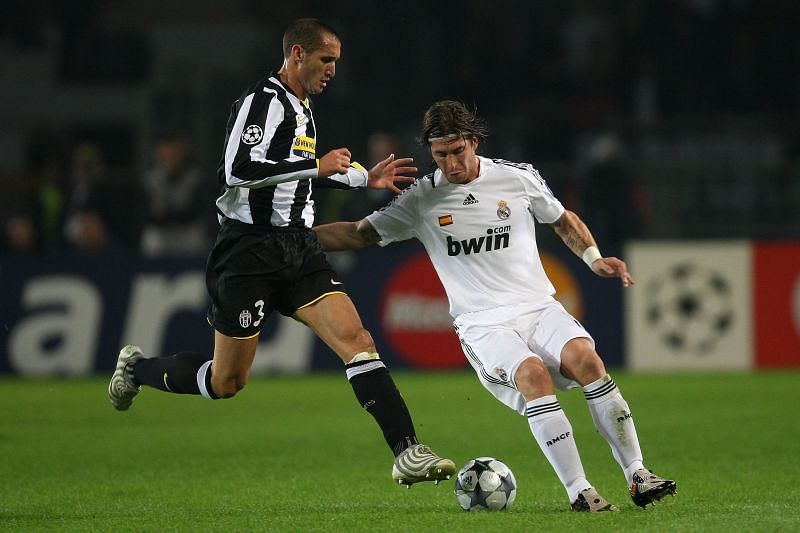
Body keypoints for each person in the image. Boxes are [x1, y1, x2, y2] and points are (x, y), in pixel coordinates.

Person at [108, 18, 455, 487]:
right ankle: (138, 369)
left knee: (358, 342)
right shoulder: (262, 102)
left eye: (336, 61)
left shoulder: (303, 106)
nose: (332, 69)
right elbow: (238, 169)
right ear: (296, 54)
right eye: (325, 59)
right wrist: (315, 165)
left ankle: (406, 450)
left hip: (298, 247)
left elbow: (298, 172)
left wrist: (361, 178)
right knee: (225, 382)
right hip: (247, 252)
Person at [312, 100, 677, 511]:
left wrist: (594, 258)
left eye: (456, 151)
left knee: (588, 361)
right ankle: (580, 491)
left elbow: (562, 219)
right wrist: (291, 236)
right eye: (440, 155)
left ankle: (638, 475)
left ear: (473, 141)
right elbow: (358, 234)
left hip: (538, 307)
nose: (450, 164)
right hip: (483, 325)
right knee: (533, 375)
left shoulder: (517, 178)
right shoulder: (421, 199)